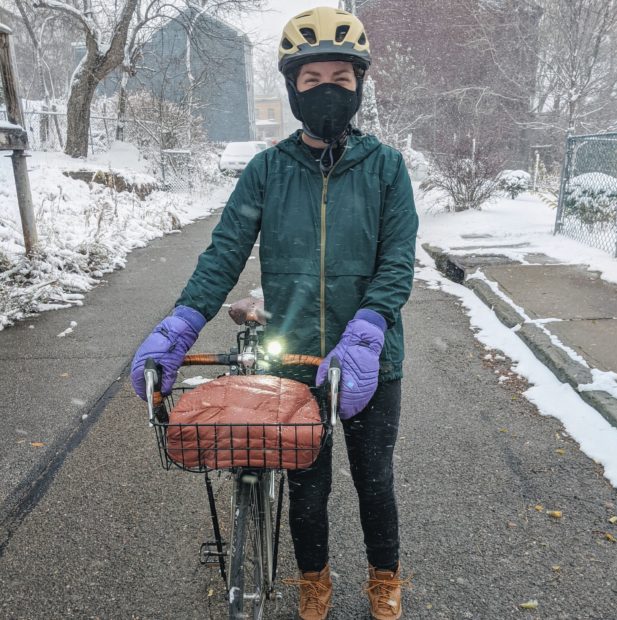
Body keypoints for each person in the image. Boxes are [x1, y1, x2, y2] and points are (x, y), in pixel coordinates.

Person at [130, 7, 418, 620]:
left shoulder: (388, 168)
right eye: (312, 81)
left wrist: (367, 332)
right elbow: (224, 253)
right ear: (292, 88)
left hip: (372, 359)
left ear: (359, 85)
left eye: (341, 79)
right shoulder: (267, 170)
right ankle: (314, 581)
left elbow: (397, 262)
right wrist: (181, 322)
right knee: (308, 488)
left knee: (375, 483)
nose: (328, 92)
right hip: (295, 357)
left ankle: (384, 578)